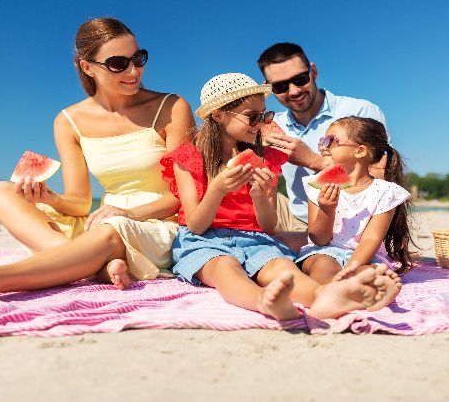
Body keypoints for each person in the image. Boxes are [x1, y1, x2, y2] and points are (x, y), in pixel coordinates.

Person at [0, 17, 195, 309]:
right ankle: (88, 265)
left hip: (158, 222)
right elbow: (81, 203)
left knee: (112, 229)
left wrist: (128, 213)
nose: (134, 70)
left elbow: (187, 193)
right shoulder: (68, 121)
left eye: (138, 58)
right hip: (102, 220)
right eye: (118, 63)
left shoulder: (172, 107)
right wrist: (49, 198)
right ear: (87, 67)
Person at [160, 73, 390, 320]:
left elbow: (268, 226)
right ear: (218, 115)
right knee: (224, 268)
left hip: (255, 238)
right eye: (252, 116)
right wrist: (217, 189)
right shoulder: (188, 157)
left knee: (282, 267)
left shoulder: (265, 158)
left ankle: (327, 296)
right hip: (203, 241)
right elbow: (195, 225)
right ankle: (263, 301)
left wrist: (260, 196)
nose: (260, 123)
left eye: (264, 115)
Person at [256, 43, 387, 241]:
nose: (293, 91)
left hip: (353, 223)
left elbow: (381, 175)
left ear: (314, 72)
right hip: (296, 219)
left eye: (300, 79)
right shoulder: (272, 124)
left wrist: (315, 161)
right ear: (269, 88)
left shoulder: (359, 111)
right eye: (280, 86)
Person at [296, 116, 411, 310]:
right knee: (322, 265)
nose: (323, 146)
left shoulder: (386, 192)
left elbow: (370, 240)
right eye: (322, 140)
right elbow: (318, 238)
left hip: (366, 256)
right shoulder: (315, 185)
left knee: (372, 272)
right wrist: (326, 210)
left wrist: (351, 269)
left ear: (360, 151)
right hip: (324, 250)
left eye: (331, 141)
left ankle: (367, 292)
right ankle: (341, 291)